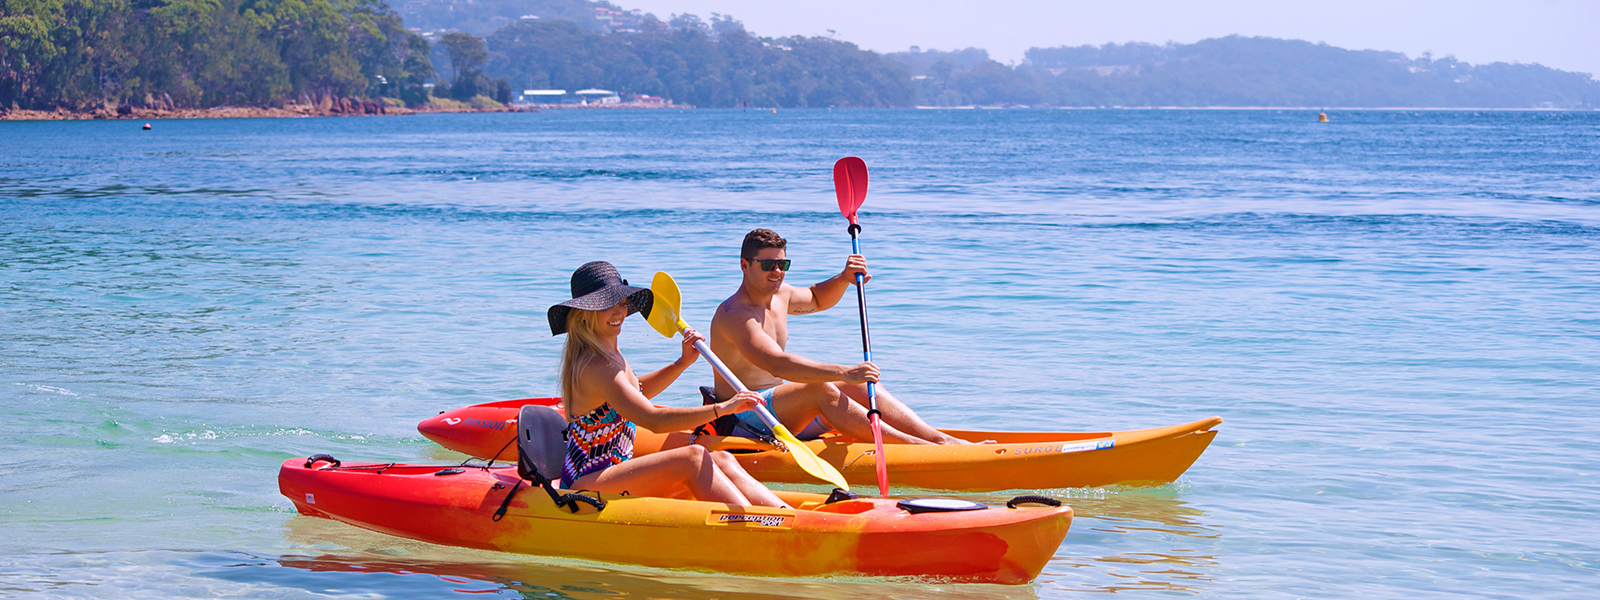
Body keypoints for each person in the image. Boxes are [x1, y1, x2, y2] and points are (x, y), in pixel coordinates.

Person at [549, 260, 788, 508]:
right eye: (607, 306)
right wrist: (724, 408)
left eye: (621, 303)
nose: (619, 313)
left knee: (724, 460)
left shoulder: (607, 354)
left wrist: (681, 363)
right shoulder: (597, 366)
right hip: (585, 484)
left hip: (612, 473)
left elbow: (635, 391)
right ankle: (756, 526)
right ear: (585, 313)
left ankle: (785, 516)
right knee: (693, 458)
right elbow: (654, 420)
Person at [709, 229, 973, 446]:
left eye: (783, 264)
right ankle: (918, 448)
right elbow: (776, 363)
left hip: (779, 411)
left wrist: (844, 277)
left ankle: (939, 440)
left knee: (855, 385)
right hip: (743, 419)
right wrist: (845, 371)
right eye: (768, 265)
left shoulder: (781, 295)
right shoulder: (735, 314)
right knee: (823, 386)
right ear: (745, 265)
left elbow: (817, 298)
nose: (777, 271)